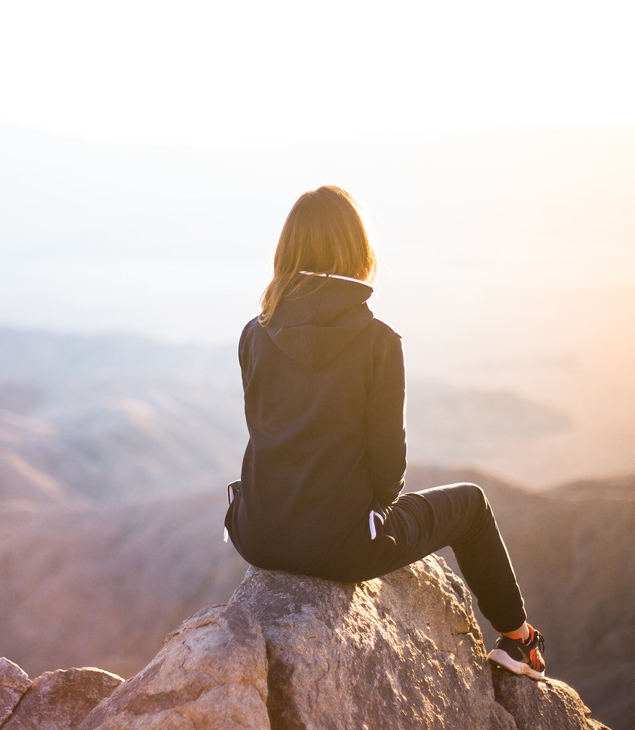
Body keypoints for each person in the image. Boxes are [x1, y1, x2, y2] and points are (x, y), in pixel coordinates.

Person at [223, 185, 546, 680]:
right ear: (357, 250)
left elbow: (265, 430)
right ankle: (518, 640)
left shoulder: (254, 331)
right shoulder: (377, 341)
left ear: (286, 252)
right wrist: (365, 518)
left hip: (255, 532)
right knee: (473, 505)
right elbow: (388, 470)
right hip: (342, 546)